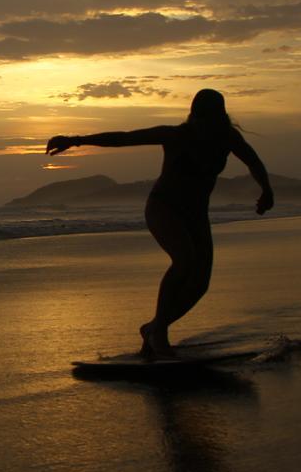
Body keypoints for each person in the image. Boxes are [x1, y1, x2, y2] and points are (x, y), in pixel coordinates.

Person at [46, 89, 274, 359]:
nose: (203, 124)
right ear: (193, 116)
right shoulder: (176, 135)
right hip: (163, 208)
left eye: (209, 119)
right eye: (199, 118)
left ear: (219, 117)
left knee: (200, 284)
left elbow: (254, 162)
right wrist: (75, 140)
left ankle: (154, 327)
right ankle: (159, 334)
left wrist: (266, 191)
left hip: (196, 214)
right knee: (184, 261)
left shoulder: (228, 138)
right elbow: (125, 138)